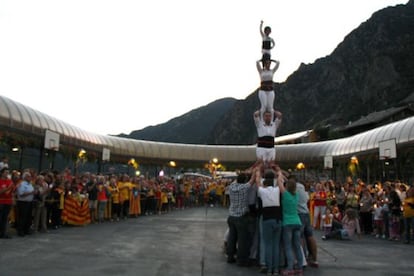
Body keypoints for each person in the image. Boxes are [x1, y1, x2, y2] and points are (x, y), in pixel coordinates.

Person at [226, 168, 259, 266]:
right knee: (242, 240)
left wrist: (245, 171)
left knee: (232, 238)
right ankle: (241, 260)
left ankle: (230, 256)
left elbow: (239, 179)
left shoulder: (231, 186)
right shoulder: (245, 188)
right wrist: (255, 170)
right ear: (244, 180)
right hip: (241, 217)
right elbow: (253, 179)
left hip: (231, 216)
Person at [256, 167, 282, 275]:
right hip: (278, 219)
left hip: (266, 219)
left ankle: (269, 268)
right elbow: (280, 180)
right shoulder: (277, 190)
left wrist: (258, 171)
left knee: (268, 245)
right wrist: (278, 171)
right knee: (276, 245)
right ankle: (276, 269)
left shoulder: (262, 191)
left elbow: (258, 181)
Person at [279, 175, 304, 275]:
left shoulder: (285, 194)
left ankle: (290, 268)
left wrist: (279, 173)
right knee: (297, 246)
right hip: (297, 222)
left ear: (287, 186)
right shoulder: (296, 195)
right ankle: (300, 267)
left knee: (288, 246)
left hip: (287, 222)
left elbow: (280, 183)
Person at [293, 175, 318, 268]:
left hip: (299, 214)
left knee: (300, 237)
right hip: (306, 213)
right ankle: (315, 259)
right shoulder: (302, 187)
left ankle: (302, 259)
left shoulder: (293, 188)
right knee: (310, 236)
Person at [0, 167, 14, 239]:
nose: (7, 174)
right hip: (1, 202)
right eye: (5, 172)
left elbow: (10, 192)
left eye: (8, 172)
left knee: (5, 218)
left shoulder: (9, 181)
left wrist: (7, 190)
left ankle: (3, 233)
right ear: (2, 173)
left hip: (8, 202)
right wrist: (8, 188)